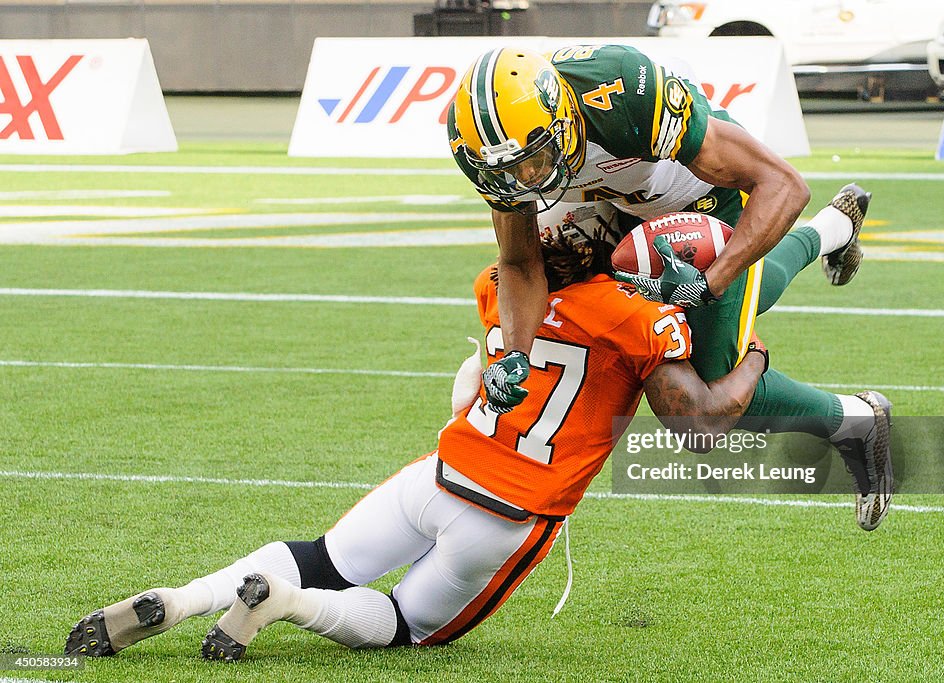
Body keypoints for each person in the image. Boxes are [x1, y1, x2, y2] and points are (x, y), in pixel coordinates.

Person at [65, 245, 770, 660]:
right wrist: (750, 357)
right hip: (511, 514)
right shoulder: (639, 319)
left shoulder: (497, 283)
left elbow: (484, 367)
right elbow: (699, 423)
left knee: (319, 554)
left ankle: (188, 597)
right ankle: (284, 605)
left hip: (444, 469)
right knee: (403, 624)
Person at [448, 44, 891, 530]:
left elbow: (784, 185)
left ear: (560, 117)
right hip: (611, 208)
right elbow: (518, 261)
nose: (525, 179)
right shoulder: (501, 151)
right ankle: (834, 229)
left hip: (704, 199)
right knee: (728, 303)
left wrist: (709, 283)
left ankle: (855, 420)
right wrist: (516, 352)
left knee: (703, 403)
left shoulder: (621, 94)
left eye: (532, 162)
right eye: (507, 172)